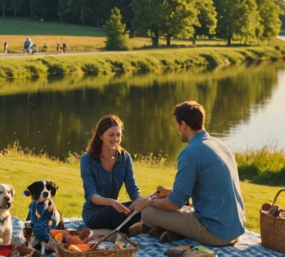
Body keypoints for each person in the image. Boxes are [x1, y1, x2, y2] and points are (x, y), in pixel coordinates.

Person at [129, 101, 246, 246]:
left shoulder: (190, 153)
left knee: (148, 213)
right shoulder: (220, 145)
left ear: (183, 124)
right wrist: (170, 192)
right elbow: (209, 188)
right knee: (175, 209)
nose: (176, 128)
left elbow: (175, 204)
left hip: (217, 233)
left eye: (177, 124)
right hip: (236, 230)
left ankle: (153, 227)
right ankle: (171, 230)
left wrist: (148, 201)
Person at [80, 116, 151, 233]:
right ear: (100, 136)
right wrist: (112, 202)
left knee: (150, 204)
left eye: (118, 135)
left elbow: (132, 188)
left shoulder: (125, 157)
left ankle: (149, 226)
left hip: (114, 208)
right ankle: (143, 227)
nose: (115, 139)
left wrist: (142, 202)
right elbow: (91, 195)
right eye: (111, 135)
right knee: (115, 212)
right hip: (94, 213)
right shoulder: (87, 159)